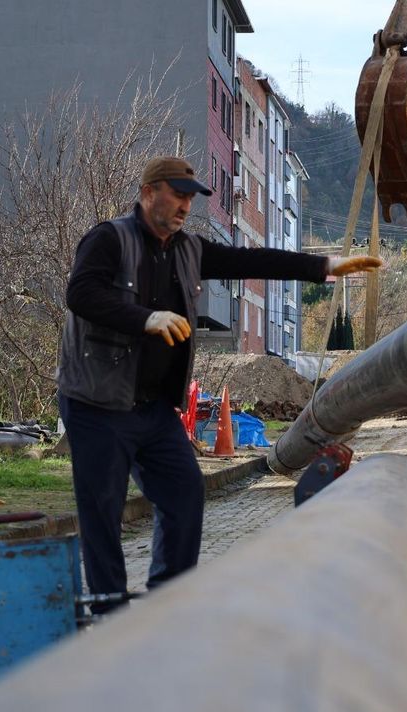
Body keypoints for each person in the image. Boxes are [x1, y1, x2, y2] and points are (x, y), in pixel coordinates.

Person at [56, 156, 381, 613]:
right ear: (149, 193)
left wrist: (327, 265)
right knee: (102, 509)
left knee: (185, 491)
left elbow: (255, 260)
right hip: (97, 402)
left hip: (151, 408)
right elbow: (81, 294)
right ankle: (109, 609)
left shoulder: (188, 248)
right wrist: (145, 318)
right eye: (178, 193)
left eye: (191, 196)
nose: (186, 204)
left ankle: (169, 598)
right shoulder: (108, 239)